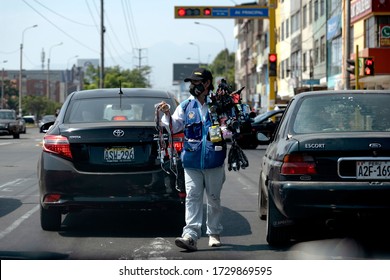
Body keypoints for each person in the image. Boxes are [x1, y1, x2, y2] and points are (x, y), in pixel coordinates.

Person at [157, 68, 227, 251]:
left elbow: (230, 128)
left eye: (196, 83)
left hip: (214, 160)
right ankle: (191, 235)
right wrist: (166, 114)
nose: (193, 86)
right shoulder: (186, 106)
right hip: (191, 161)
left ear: (207, 83)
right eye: (191, 83)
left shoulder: (218, 104)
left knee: (213, 199)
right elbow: (173, 127)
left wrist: (225, 130)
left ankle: (214, 232)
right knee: (193, 197)